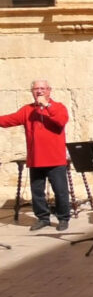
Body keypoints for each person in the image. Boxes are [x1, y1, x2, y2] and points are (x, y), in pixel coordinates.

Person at [0, 80, 71, 231]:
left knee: (60, 191)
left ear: (49, 90)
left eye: (42, 88)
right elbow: (8, 120)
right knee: (37, 192)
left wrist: (47, 105)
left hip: (55, 159)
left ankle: (63, 218)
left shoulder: (58, 107)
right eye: (36, 89)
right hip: (36, 158)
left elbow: (61, 121)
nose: (39, 91)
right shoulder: (27, 110)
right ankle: (43, 218)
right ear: (32, 91)